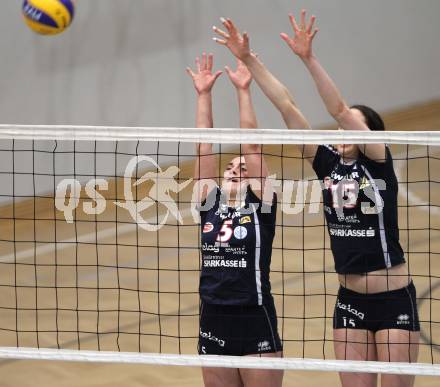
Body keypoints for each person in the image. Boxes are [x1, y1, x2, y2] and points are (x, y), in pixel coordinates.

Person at [214, 11, 420, 387]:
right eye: (342, 127)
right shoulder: (326, 162)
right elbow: (287, 106)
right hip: (349, 300)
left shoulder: (378, 164)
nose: (343, 127)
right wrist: (248, 59)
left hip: (393, 301)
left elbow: (338, 109)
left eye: (353, 125)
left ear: (370, 135)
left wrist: (309, 59)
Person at [187, 52, 283, 387]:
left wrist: (244, 90)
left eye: (242, 169)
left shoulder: (262, 206)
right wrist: (204, 95)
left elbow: (253, 148)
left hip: (255, 318)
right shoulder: (208, 204)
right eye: (230, 167)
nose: (234, 170)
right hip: (213, 317)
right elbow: (204, 149)